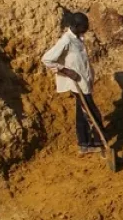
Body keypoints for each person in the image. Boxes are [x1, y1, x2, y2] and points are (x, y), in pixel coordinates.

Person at [42, 12, 105, 155]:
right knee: (92, 112)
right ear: (76, 26)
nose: (88, 27)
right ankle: (98, 141)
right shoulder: (66, 41)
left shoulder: (78, 38)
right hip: (77, 84)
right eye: (85, 25)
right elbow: (47, 59)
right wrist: (66, 71)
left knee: (82, 113)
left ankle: (84, 144)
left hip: (84, 81)